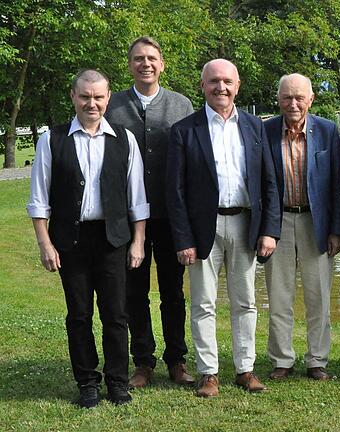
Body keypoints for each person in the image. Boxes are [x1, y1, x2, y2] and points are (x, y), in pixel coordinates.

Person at [27, 69, 149, 408]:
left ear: (108, 98)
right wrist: (44, 243)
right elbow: (39, 198)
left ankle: (117, 382)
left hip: (113, 239)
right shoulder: (52, 140)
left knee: (116, 314)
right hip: (71, 240)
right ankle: (87, 383)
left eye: (98, 97)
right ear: (73, 96)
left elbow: (137, 197)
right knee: (78, 315)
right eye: (85, 96)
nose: (91, 103)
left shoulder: (124, 139)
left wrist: (138, 241)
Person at [166, 59, 281, 397]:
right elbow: (174, 191)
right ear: (202, 86)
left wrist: (270, 229)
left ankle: (245, 369)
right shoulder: (185, 130)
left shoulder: (254, 127)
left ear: (238, 85)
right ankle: (208, 373)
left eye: (227, 81)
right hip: (204, 227)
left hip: (246, 223)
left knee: (245, 301)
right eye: (214, 81)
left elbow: (269, 182)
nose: (221, 87)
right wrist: (183, 238)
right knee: (203, 302)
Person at [105, 36, 195, 389]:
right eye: (139, 58)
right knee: (133, 291)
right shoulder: (111, 106)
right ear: (130, 65)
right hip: (127, 218)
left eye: (152, 58)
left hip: (172, 215)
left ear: (162, 64)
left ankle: (177, 359)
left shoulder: (181, 104)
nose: (146, 64)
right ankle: (142, 361)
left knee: (173, 291)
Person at [263, 74, 340, 381]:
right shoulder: (266, 129)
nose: (293, 104)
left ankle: (317, 360)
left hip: (316, 221)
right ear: (279, 99)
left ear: (311, 99)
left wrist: (336, 229)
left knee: (318, 295)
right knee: (279, 294)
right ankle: (282, 359)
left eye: (299, 98)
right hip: (278, 220)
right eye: (287, 98)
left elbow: (337, 183)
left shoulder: (326, 130)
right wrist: (264, 229)